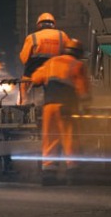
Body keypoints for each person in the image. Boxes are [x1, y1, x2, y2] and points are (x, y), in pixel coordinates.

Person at [28, 37, 89, 185]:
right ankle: (73, 173)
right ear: (78, 53)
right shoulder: (77, 65)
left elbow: (35, 78)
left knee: (50, 139)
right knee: (69, 138)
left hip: (49, 106)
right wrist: (86, 106)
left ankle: (49, 174)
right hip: (65, 107)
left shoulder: (51, 62)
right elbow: (83, 90)